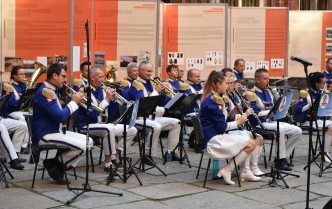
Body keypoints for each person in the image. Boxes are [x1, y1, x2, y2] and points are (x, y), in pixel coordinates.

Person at [32, 63, 93, 184]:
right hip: (46, 134)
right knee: (83, 146)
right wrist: (74, 103)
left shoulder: (54, 90)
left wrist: (75, 103)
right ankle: (57, 165)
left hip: (57, 131)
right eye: (63, 76)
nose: (65, 80)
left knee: (89, 141)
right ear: (55, 75)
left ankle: (55, 164)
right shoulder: (46, 92)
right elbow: (59, 117)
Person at [76, 65, 137, 172]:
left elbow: (112, 113)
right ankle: (108, 164)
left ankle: (114, 155)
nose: (103, 80)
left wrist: (113, 101)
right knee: (109, 129)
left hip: (103, 124)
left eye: (103, 76)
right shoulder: (84, 91)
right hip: (87, 125)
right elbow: (93, 115)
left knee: (132, 130)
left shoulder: (102, 90)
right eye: (100, 77)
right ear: (92, 77)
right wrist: (107, 99)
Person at [200, 71, 257, 185]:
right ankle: (228, 169)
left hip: (214, 135)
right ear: (218, 84)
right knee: (251, 144)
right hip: (213, 140)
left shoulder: (213, 97)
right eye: (226, 83)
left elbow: (220, 121)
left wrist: (231, 114)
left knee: (249, 136)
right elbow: (221, 127)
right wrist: (238, 122)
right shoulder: (214, 101)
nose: (228, 86)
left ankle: (245, 171)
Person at [249, 68, 302, 171]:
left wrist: (281, 104)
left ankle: (281, 157)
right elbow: (254, 114)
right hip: (259, 124)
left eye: (268, 78)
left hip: (272, 122)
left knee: (297, 131)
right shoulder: (251, 94)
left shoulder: (269, 91)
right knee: (280, 130)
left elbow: (275, 107)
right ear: (257, 80)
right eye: (265, 79)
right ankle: (281, 161)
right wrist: (272, 111)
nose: (268, 81)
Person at [128, 61, 181, 163]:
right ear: (140, 71)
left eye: (151, 71)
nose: (150, 73)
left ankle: (171, 152)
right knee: (156, 126)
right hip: (140, 118)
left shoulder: (152, 84)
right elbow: (144, 104)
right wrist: (156, 91)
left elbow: (161, 103)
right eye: (148, 71)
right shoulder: (136, 84)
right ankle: (148, 155)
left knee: (176, 123)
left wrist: (163, 94)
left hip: (153, 117)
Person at [225, 73, 265, 176]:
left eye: (235, 83)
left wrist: (244, 107)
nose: (234, 85)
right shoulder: (225, 97)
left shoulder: (234, 95)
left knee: (259, 138)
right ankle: (245, 170)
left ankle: (254, 167)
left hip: (237, 127)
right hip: (229, 129)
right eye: (231, 83)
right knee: (251, 140)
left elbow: (237, 112)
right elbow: (226, 118)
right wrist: (241, 114)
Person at [297, 72, 332, 162]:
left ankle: (324, 149)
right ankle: (324, 152)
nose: (325, 84)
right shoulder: (306, 93)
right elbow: (298, 110)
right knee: (331, 127)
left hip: (320, 120)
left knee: (330, 126)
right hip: (308, 121)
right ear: (316, 83)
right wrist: (309, 105)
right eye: (323, 82)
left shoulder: (322, 92)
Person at [2, 65, 30, 154]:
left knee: (32, 115)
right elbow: (10, 104)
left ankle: (27, 144)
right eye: (21, 74)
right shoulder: (8, 86)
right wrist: (22, 100)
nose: (24, 76)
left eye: (24, 74)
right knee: (22, 118)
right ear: (14, 75)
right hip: (9, 112)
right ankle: (23, 146)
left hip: (19, 110)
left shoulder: (23, 85)